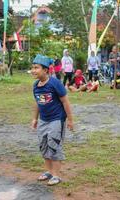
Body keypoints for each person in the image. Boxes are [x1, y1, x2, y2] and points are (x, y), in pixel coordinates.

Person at [31, 54, 74, 186]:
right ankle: (49, 171)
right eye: (32, 68)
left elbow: (65, 102)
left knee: (54, 145)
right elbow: (38, 102)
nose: (33, 70)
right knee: (43, 145)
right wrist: (35, 118)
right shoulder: (36, 85)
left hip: (56, 119)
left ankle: (56, 175)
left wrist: (71, 120)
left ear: (45, 70)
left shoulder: (55, 83)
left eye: (36, 68)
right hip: (44, 120)